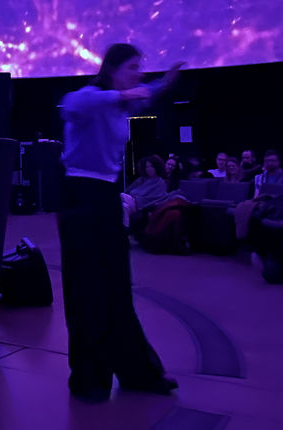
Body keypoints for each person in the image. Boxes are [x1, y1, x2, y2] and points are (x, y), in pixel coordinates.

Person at [58, 44, 182, 401]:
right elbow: (70, 105)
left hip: (107, 198)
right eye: (132, 67)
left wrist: (164, 82)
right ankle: (89, 378)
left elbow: (148, 91)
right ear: (112, 68)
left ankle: (136, 371)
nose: (138, 73)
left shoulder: (123, 102)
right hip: (80, 197)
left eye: (139, 67)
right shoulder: (90, 99)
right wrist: (122, 93)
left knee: (117, 287)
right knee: (87, 290)